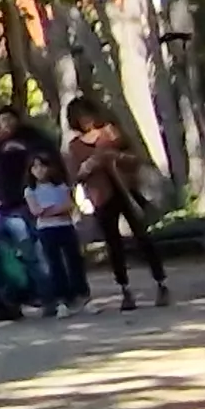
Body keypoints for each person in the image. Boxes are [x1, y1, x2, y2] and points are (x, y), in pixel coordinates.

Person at [62, 97, 171, 311]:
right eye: (80, 117)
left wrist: (117, 156)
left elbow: (135, 158)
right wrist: (89, 166)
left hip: (127, 190)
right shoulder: (75, 146)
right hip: (101, 197)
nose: (86, 120)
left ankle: (161, 282)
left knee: (143, 238)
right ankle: (125, 289)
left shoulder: (111, 132)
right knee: (114, 244)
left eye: (87, 114)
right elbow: (75, 174)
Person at [25, 167, 90, 314]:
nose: (40, 170)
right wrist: (56, 209)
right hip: (46, 229)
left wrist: (48, 210)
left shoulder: (60, 186)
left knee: (74, 261)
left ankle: (81, 294)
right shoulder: (30, 190)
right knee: (55, 264)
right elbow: (36, 211)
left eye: (42, 166)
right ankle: (62, 298)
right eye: (35, 167)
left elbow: (69, 205)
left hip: (65, 225)